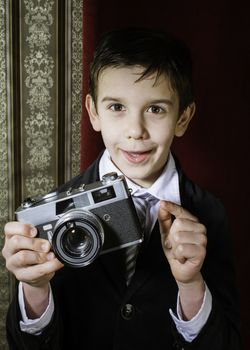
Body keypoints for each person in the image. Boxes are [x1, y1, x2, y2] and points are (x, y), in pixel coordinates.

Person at [2, 27, 241, 350]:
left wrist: (191, 284)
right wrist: (34, 288)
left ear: (183, 118)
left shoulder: (209, 214)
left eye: (156, 109)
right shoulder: (51, 218)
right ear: (93, 112)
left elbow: (226, 344)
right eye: (117, 107)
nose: (135, 131)